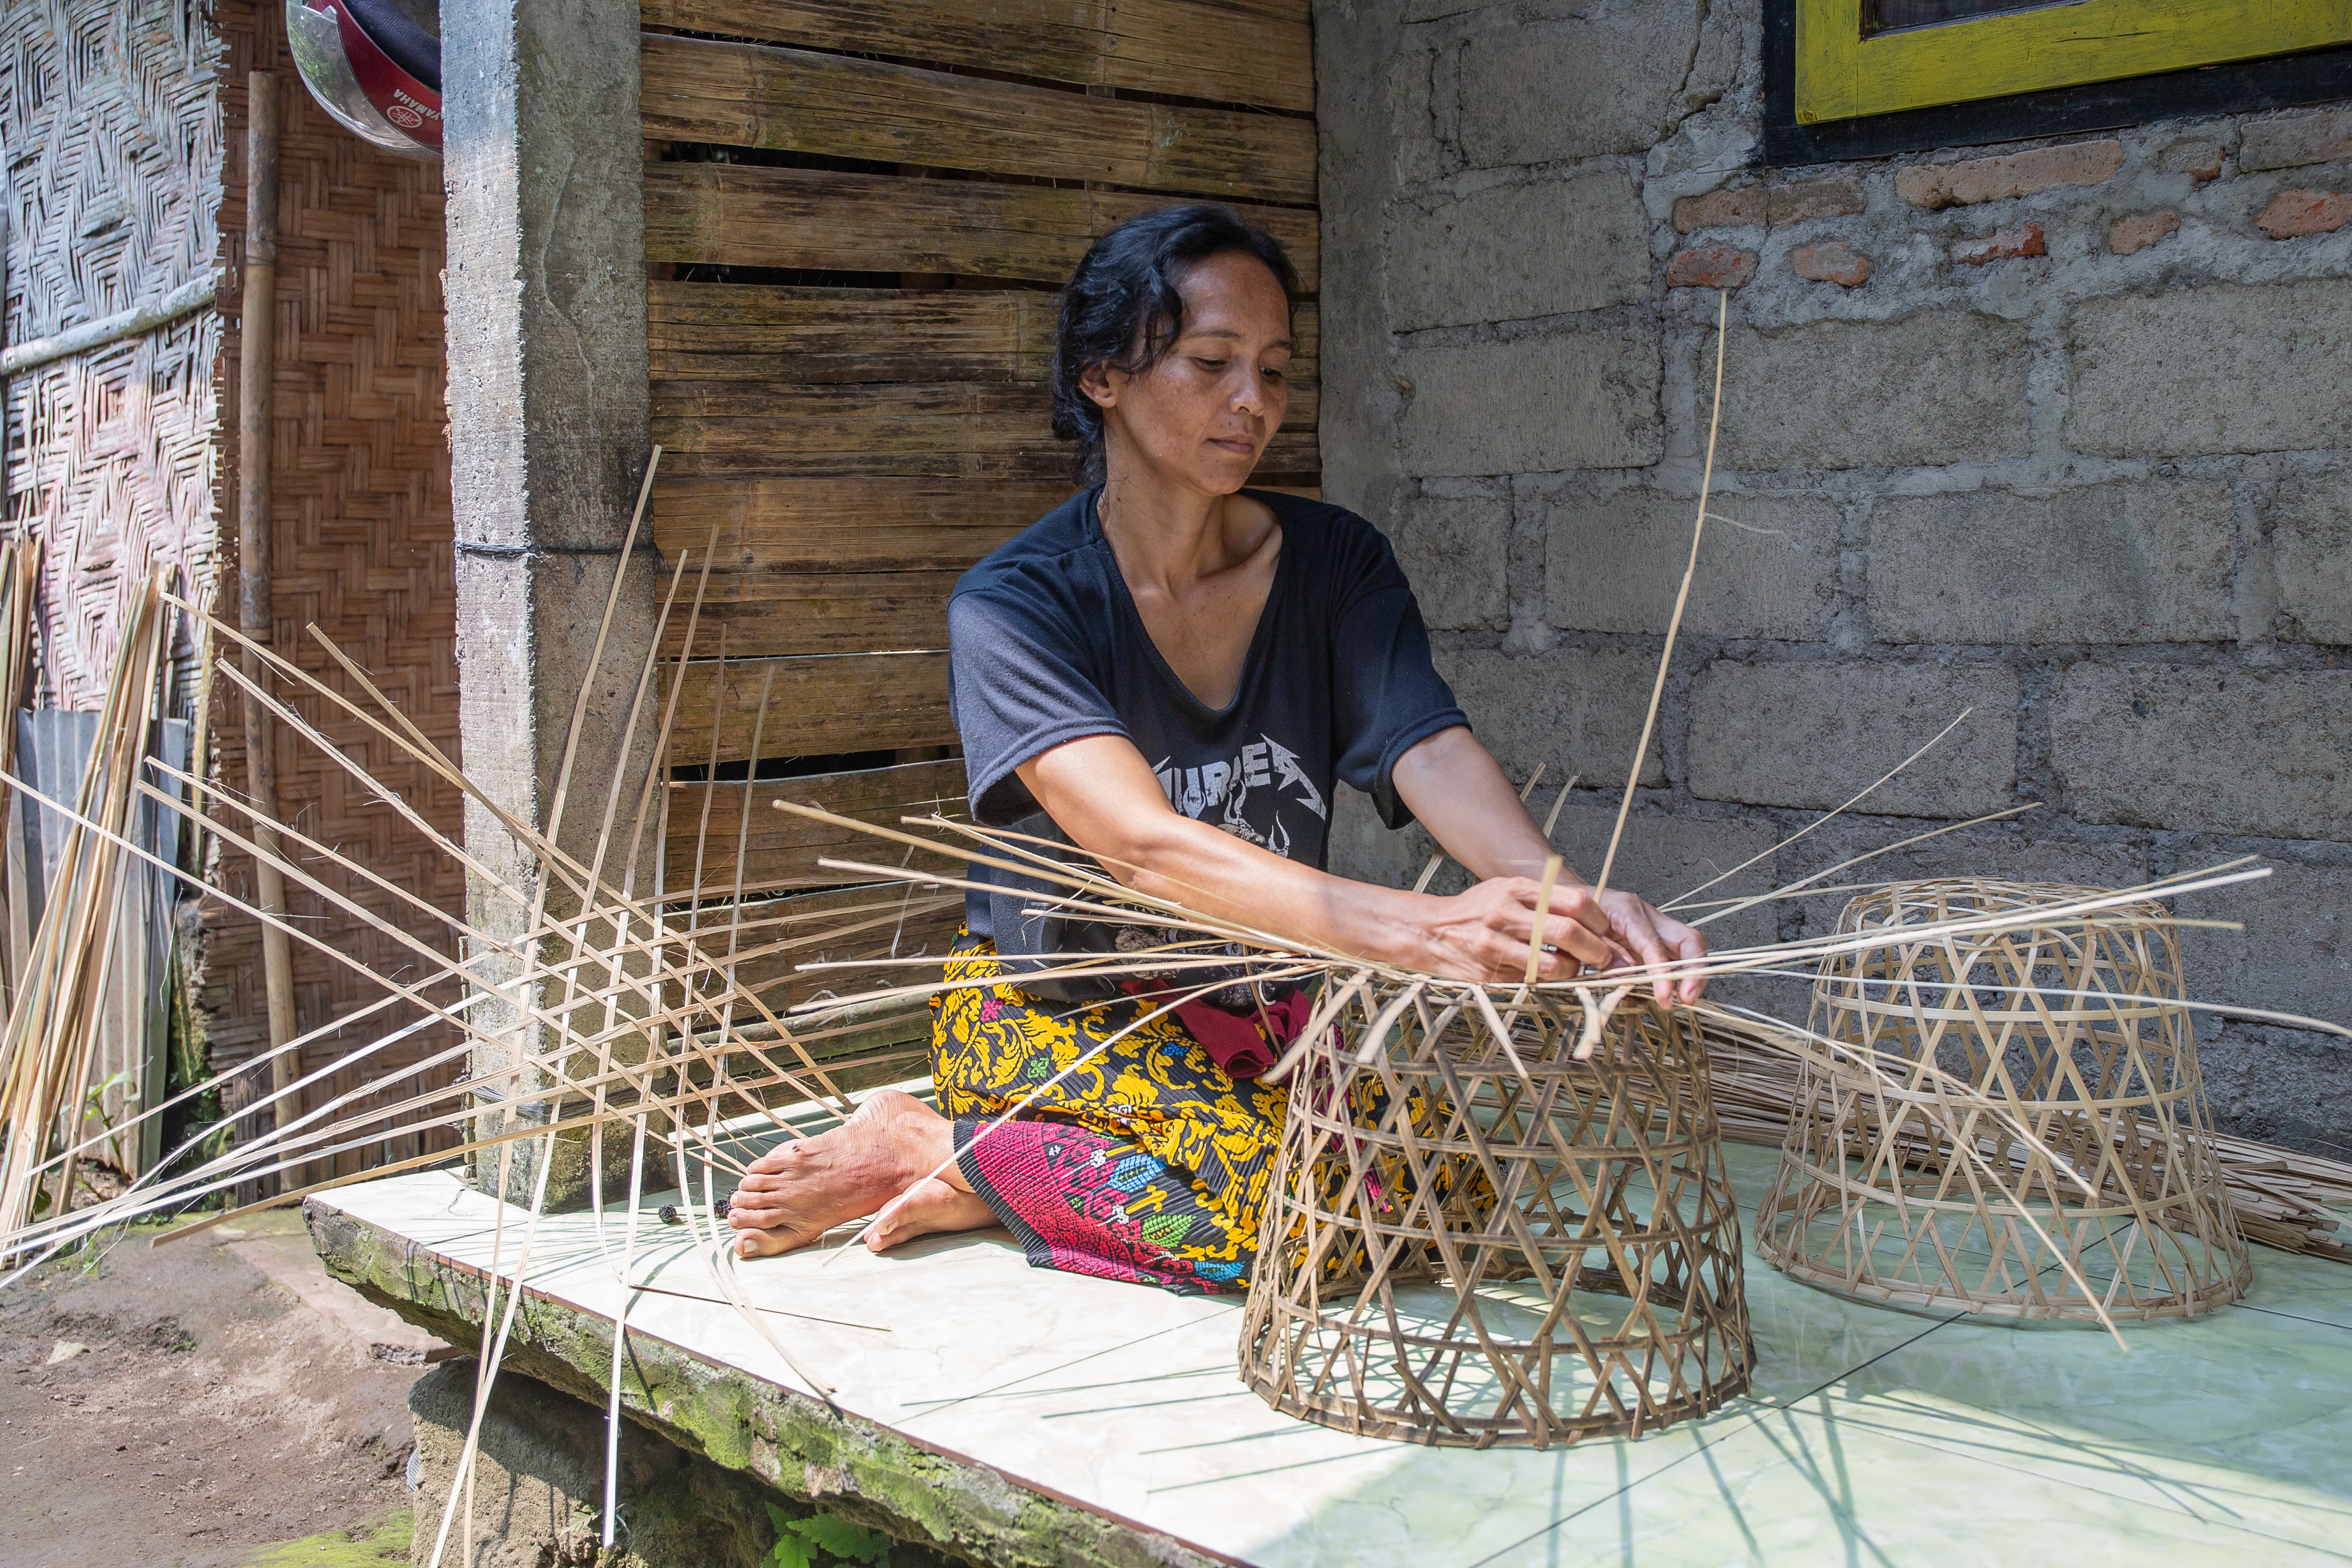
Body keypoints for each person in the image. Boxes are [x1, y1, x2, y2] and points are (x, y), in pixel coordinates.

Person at [725, 205, 1705, 1289]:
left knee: (1452, 1198)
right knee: (1289, 1235)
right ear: (1103, 373)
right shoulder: (1013, 604)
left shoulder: (1336, 560)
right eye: (1211, 362)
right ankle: (947, 1136)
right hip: (1063, 1013)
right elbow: (1142, 849)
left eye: (1274, 370)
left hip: (1258, 1007)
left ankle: (989, 1167)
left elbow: (1425, 742)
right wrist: (1425, 931)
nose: (1254, 402)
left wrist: (1564, 895)